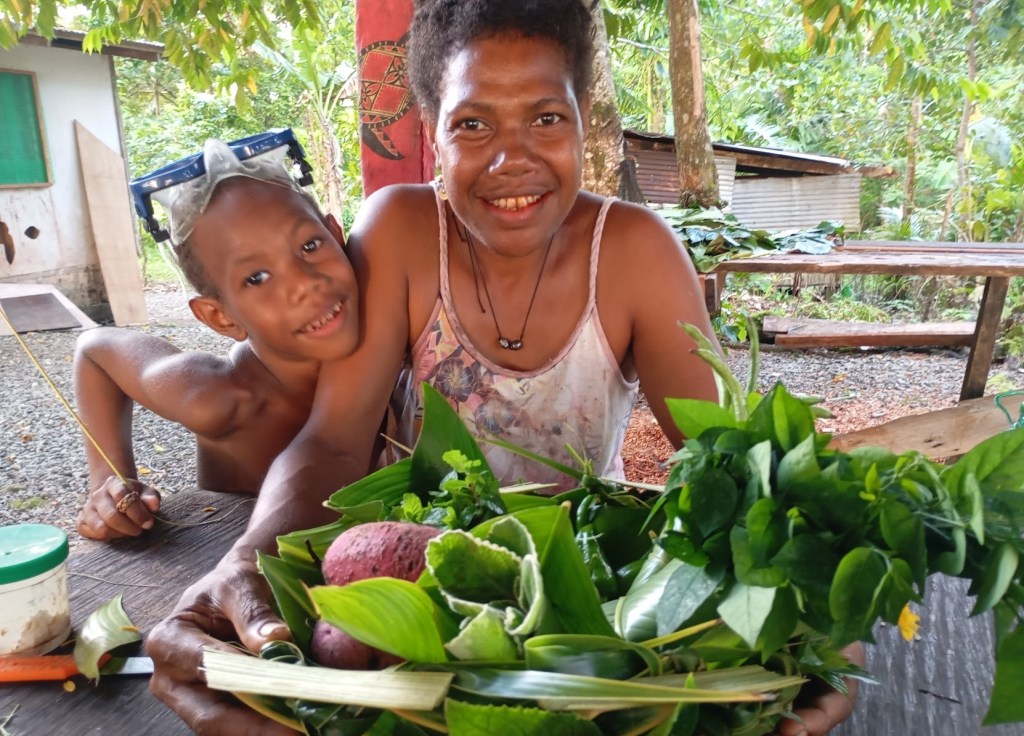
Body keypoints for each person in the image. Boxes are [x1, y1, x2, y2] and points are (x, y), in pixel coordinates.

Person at [147, 2, 861, 734]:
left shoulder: (635, 253)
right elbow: (333, 442)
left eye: (546, 118)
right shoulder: (398, 231)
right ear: (433, 132)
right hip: (411, 596)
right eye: (472, 123)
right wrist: (242, 562)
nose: (510, 158)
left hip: (577, 600)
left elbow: (728, 469)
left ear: (585, 122)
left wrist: (824, 616)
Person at [74, 139, 359, 540]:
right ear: (219, 317)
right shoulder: (221, 400)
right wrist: (110, 479)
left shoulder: (398, 340)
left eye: (310, 246)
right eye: (256, 278)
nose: (305, 285)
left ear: (336, 233)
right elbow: (96, 349)